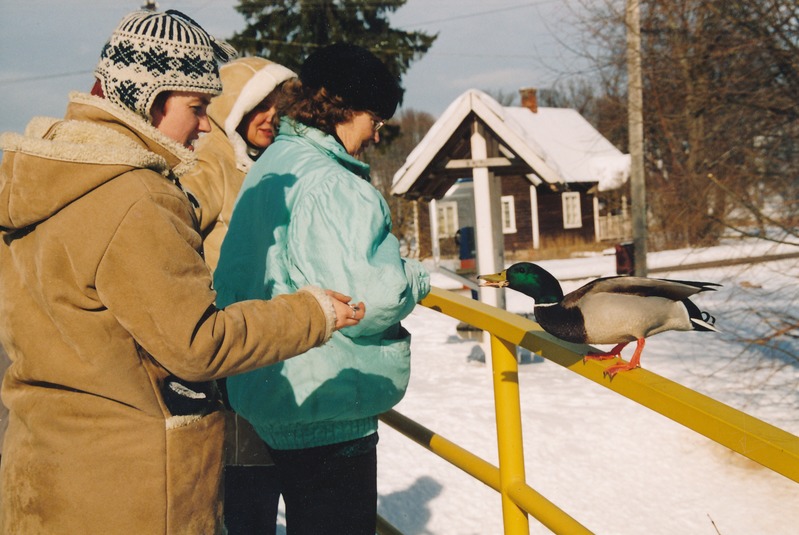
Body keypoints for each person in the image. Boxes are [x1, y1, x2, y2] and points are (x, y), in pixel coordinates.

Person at [0, 10, 363, 534]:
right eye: (195, 107)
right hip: (133, 487)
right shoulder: (135, 196)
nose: (202, 124)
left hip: (43, 465)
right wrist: (312, 312)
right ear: (151, 98)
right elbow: (198, 345)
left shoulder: (42, 180)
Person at [214, 43, 431, 534]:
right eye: (376, 119)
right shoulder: (334, 185)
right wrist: (414, 276)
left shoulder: (276, 164)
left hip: (272, 390)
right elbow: (368, 300)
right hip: (325, 408)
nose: (377, 135)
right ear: (347, 109)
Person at [180, 56, 297, 534]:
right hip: (228, 346)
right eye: (258, 106)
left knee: (259, 475)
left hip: (270, 342)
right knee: (240, 484)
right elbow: (178, 223)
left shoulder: (277, 165)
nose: (270, 117)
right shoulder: (213, 161)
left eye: (278, 106)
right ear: (233, 110)